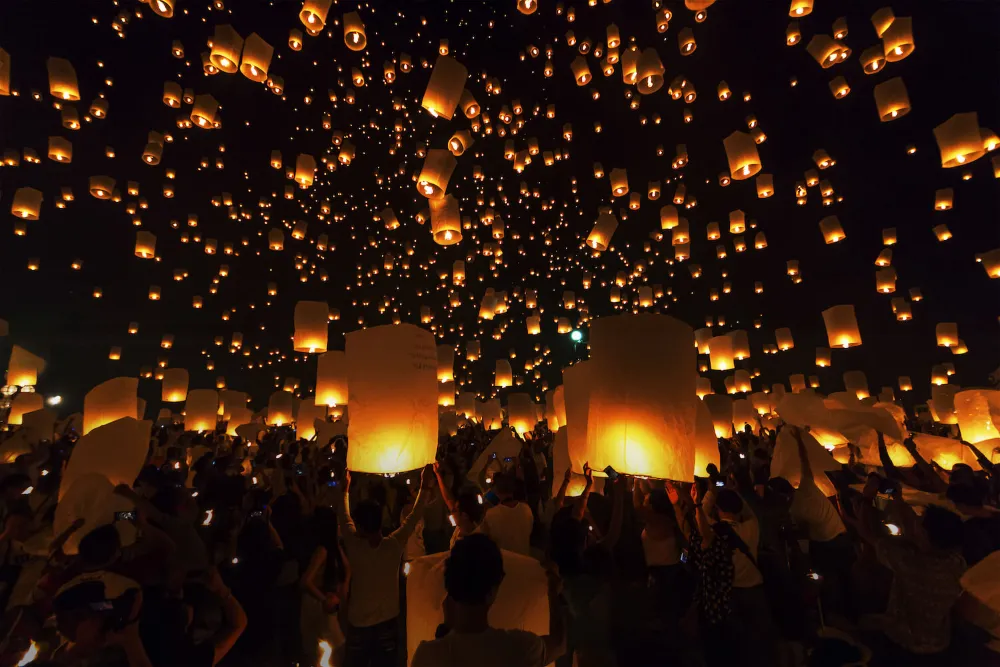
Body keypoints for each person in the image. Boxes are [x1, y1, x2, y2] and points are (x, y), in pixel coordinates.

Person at [851, 476, 967, 655]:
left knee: (861, 622)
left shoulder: (910, 563)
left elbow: (868, 533)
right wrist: (897, 499)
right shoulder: (957, 562)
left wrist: (867, 499)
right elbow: (916, 532)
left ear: (927, 537)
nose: (916, 527)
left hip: (907, 641)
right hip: (939, 639)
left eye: (921, 526)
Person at [410, 533, 566, 667]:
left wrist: (446, 628)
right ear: (493, 589)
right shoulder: (518, 649)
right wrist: (553, 592)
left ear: (450, 587)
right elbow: (559, 643)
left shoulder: (426, 656)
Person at [338, 465, 433, 667]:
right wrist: (425, 485)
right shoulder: (393, 545)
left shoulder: (354, 546)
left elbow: (343, 515)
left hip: (359, 622)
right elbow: (414, 516)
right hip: (388, 621)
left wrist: (345, 488)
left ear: (360, 526)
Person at [785, 426, 853, 617]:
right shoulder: (806, 489)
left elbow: (803, 531)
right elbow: (804, 461)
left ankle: (828, 611)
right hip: (838, 536)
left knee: (825, 578)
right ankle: (846, 611)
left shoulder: (794, 507)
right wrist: (799, 439)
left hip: (825, 544)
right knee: (843, 577)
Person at [300, 506, 350, 665]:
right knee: (333, 649)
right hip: (317, 606)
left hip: (328, 606)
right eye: (338, 524)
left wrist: (344, 587)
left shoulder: (335, 548)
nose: (340, 527)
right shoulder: (322, 551)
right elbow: (305, 581)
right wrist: (324, 599)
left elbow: (348, 568)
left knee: (333, 649)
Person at [480, 472, 534, 556]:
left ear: (496, 490)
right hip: (525, 558)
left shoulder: (492, 514)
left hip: (505, 561)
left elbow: (485, 538)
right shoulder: (526, 509)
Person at [434, 462, 485, 547]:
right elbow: (448, 499)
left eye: (455, 510)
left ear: (464, 515)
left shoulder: (472, 541)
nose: (452, 511)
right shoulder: (461, 527)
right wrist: (438, 473)